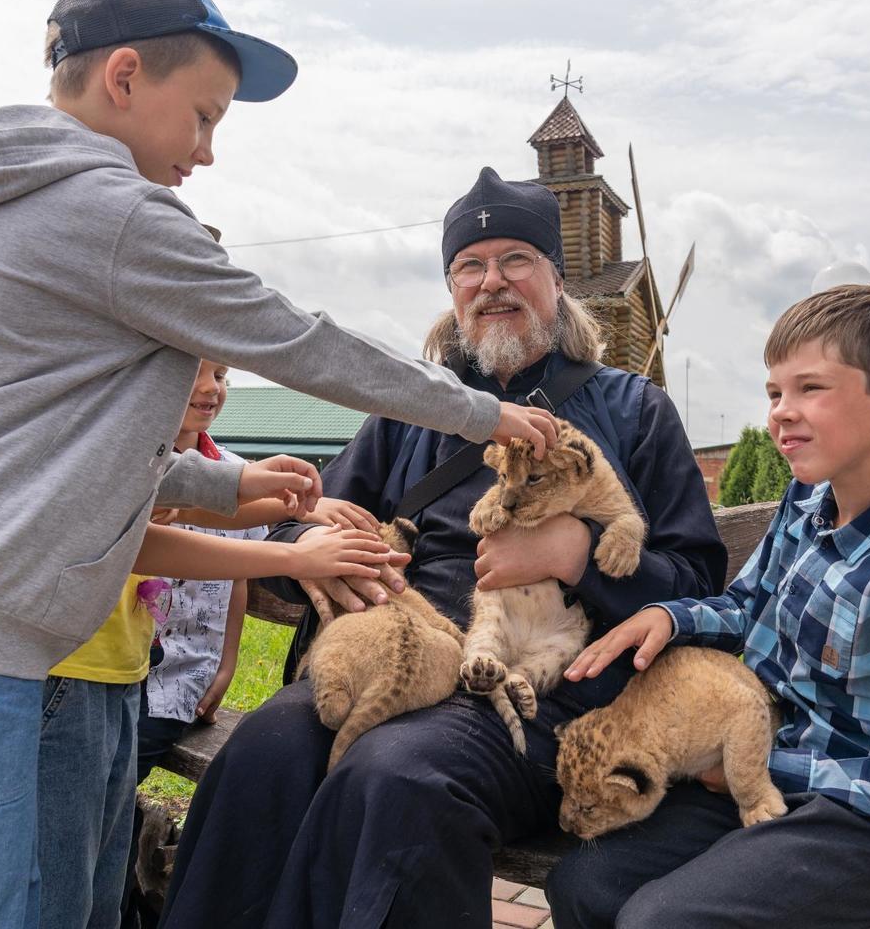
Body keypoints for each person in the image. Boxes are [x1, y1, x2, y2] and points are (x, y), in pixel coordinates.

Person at [0, 0, 556, 928]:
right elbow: (299, 338)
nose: (205, 153)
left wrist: (233, 487)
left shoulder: (7, 205)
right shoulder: (110, 212)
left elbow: (55, 452)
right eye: (203, 116)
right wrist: (486, 413)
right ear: (122, 78)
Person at [159, 166, 728, 928]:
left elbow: (694, 584)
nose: (492, 282)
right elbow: (302, 521)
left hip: (546, 699)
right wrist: (326, 554)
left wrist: (574, 551)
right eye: (470, 266)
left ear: (557, 280)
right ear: (453, 289)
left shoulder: (636, 410)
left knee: (399, 776)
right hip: (396, 655)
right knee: (263, 753)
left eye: (516, 260)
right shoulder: (412, 411)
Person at [548, 284, 870, 929]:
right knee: (582, 884)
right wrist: (672, 617)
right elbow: (746, 605)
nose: (781, 413)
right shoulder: (807, 506)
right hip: (762, 761)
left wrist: (753, 764)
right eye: (774, 393)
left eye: (810, 388)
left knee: (662, 921)